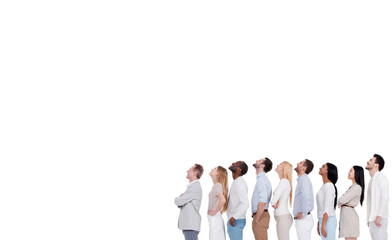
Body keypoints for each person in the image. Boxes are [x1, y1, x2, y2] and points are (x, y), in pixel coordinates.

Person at [175, 164, 204, 240]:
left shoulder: (194, 187)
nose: (187, 171)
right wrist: (182, 199)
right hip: (189, 225)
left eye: (190, 170)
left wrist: (179, 198)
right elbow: (182, 203)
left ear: (195, 173)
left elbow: (178, 202)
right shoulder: (192, 187)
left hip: (191, 225)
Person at [366, 154, 389, 240]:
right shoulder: (372, 180)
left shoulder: (381, 177)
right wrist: (368, 218)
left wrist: (379, 216)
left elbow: (385, 197)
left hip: (379, 219)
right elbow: (369, 201)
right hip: (373, 220)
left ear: (376, 165)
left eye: (371, 160)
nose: (368, 161)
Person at [338, 166, 365, 240]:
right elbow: (342, 200)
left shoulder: (357, 187)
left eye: (350, 171)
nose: (348, 172)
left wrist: (341, 201)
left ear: (356, 173)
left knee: (349, 237)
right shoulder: (353, 187)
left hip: (349, 217)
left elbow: (341, 200)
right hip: (347, 216)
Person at [227, 161, 250, 240]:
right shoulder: (237, 182)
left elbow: (246, 203)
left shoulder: (239, 182)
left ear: (239, 169)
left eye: (236, 163)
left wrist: (233, 218)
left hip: (236, 221)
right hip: (235, 220)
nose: (233, 163)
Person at [271, 161, 293, 240]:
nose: (277, 164)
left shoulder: (284, 181)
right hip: (282, 216)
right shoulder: (283, 182)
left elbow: (273, 201)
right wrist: (274, 203)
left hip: (283, 217)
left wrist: (273, 204)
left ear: (284, 168)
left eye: (280, 164)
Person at [251, 158, 273, 240]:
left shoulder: (262, 180)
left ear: (262, 166)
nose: (257, 160)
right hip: (261, 215)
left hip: (260, 216)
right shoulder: (262, 179)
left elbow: (263, 202)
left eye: (260, 160)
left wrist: (256, 218)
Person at [293, 159, 315, 240]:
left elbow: (306, 196)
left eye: (300, 163)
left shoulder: (303, 179)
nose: (297, 163)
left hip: (304, 219)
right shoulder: (302, 180)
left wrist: (304, 213)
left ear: (303, 168)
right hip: (304, 219)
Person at [316, 163, 338, 240]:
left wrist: (323, 224)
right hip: (324, 220)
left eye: (323, 166)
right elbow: (322, 207)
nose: (320, 168)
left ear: (327, 171)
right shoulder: (325, 186)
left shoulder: (329, 186)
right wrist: (319, 222)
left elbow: (327, 208)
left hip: (328, 221)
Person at [208, 166, 229, 240]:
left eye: (214, 168)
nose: (211, 168)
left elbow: (222, 200)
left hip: (215, 219)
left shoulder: (217, 186)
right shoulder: (216, 186)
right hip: (215, 218)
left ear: (217, 174)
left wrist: (214, 211)